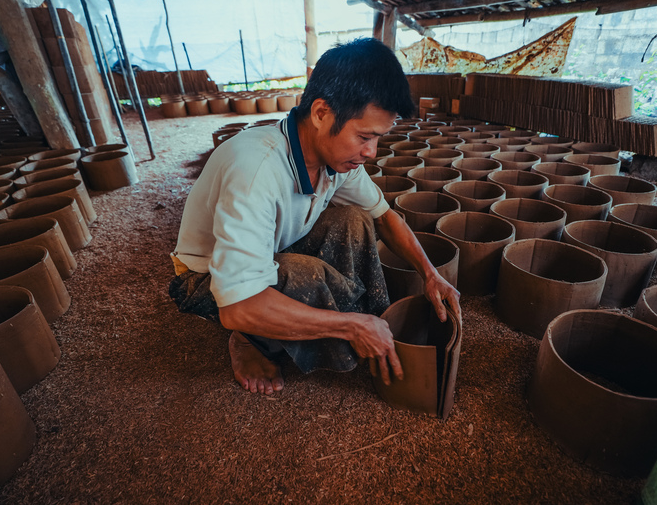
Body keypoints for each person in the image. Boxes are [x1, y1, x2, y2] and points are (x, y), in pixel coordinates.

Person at [169, 38, 461, 395]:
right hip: (206, 279)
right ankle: (250, 342)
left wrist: (430, 275)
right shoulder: (256, 170)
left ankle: (371, 322)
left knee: (355, 219)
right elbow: (238, 305)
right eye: (364, 136)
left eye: (379, 138)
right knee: (306, 277)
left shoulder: (338, 158)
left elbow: (384, 217)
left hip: (273, 248)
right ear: (322, 113)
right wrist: (349, 326)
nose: (371, 152)